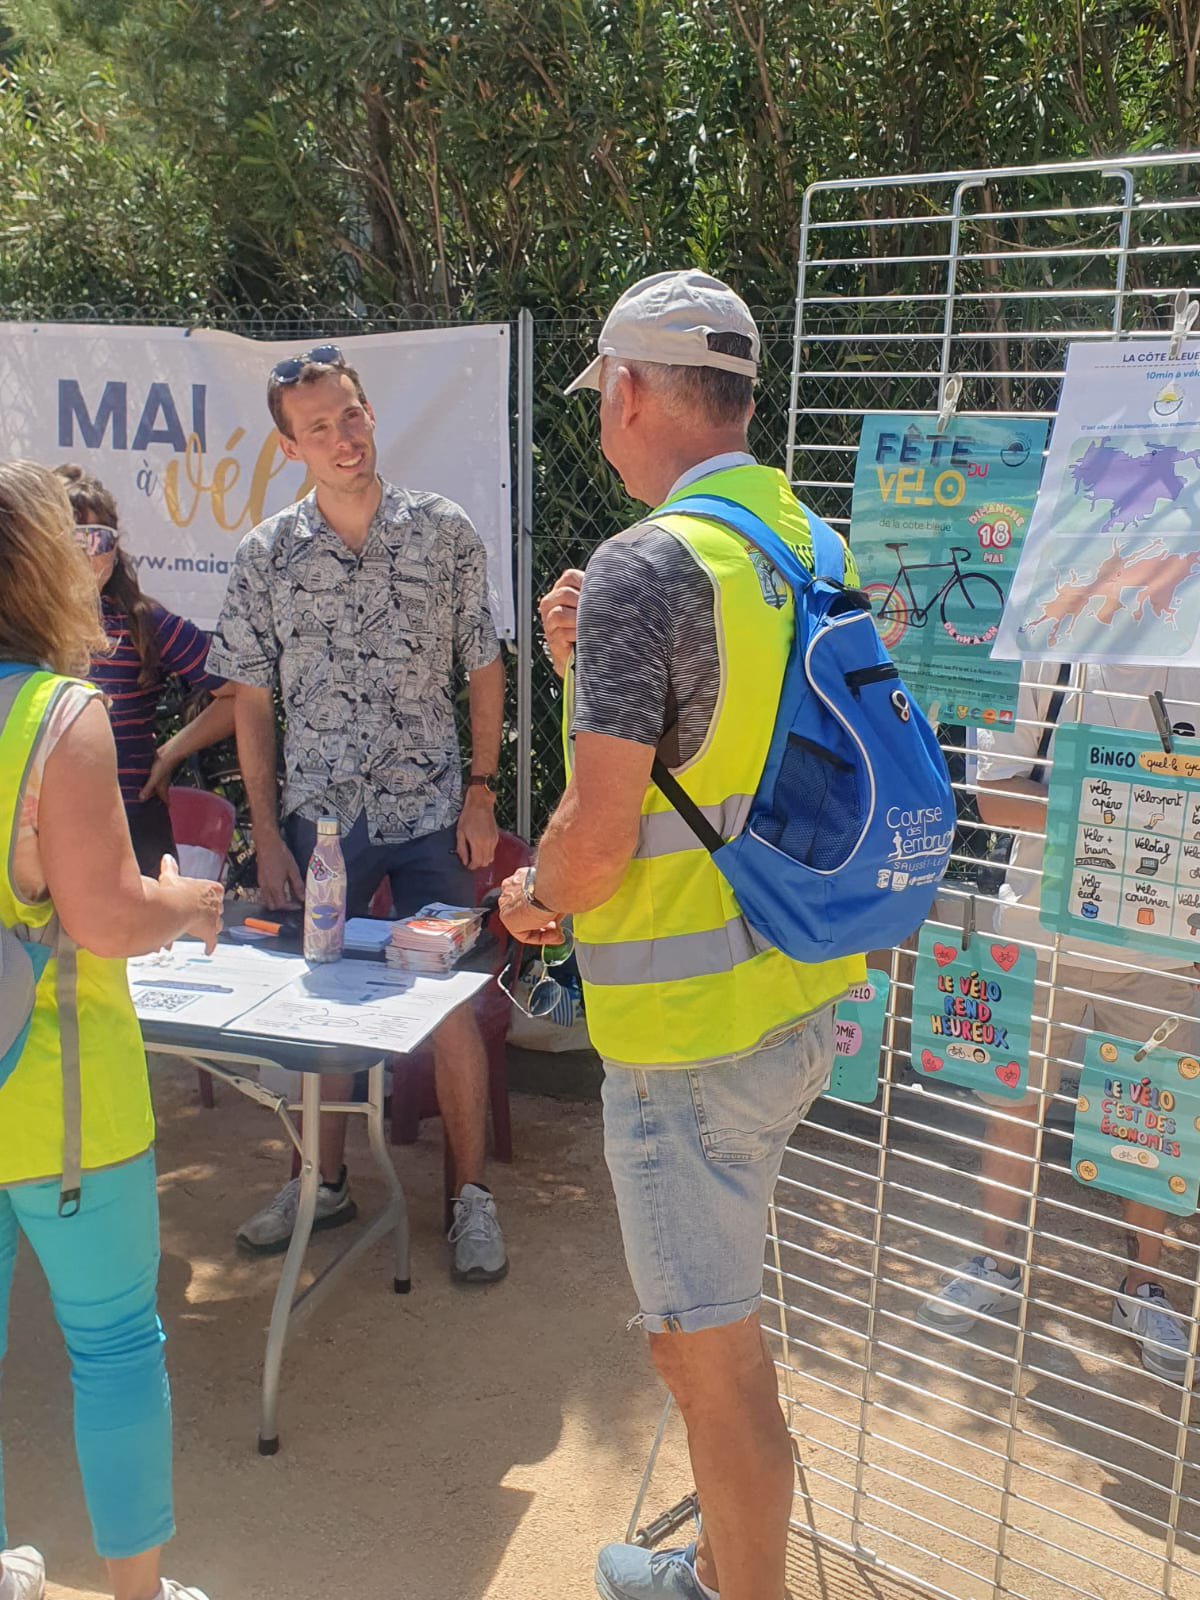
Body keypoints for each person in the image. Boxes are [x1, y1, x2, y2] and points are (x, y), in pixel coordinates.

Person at [500, 271, 866, 1600]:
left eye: (603, 395)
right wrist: (581, 665)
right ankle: (713, 1565)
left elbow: (596, 846)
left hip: (687, 1041)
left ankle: (731, 1588)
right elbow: (722, 748)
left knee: (712, 1367)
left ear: (633, 391)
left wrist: (530, 895)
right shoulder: (805, 543)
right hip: (793, 996)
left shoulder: (649, 565)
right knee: (714, 1351)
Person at [206, 344, 508, 1280]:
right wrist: (266, 835)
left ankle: (470, 1200)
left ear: (371, 414)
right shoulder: (266, 557)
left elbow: (483, 664)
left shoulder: (444, 533)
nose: (343, 438)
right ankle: (320, 1185)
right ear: (290, 447)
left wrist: (482, 792)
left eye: (351, 415)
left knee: (451, 1006)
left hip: (430, 815)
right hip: (321, 823)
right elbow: (252, 702)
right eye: (319, 427)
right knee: (319, 1005)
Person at [0, 460, 224, 1600]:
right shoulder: (59, 712)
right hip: (62, 1104)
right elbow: (106, 916)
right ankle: (139, 1593)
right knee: (117, 1346)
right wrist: (186, 899)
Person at [918, 661, 1200, 1383]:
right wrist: (1140, 803)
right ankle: (996, 1262)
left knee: (1148, 1127)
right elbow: (994, 799)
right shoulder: (1054, 648)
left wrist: (1102, 800)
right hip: (1040, 932)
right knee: (1013, 1106)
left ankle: (1144, 1288)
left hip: (1165, 950)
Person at [54, 466, 236, 876]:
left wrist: (171, 753)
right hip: (38, 832)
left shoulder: (142, 623)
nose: (87, 553)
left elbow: (240, 692)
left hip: (132, 829)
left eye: (99, 538)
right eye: (72, 539)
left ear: (115, 548)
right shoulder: (18, 628)